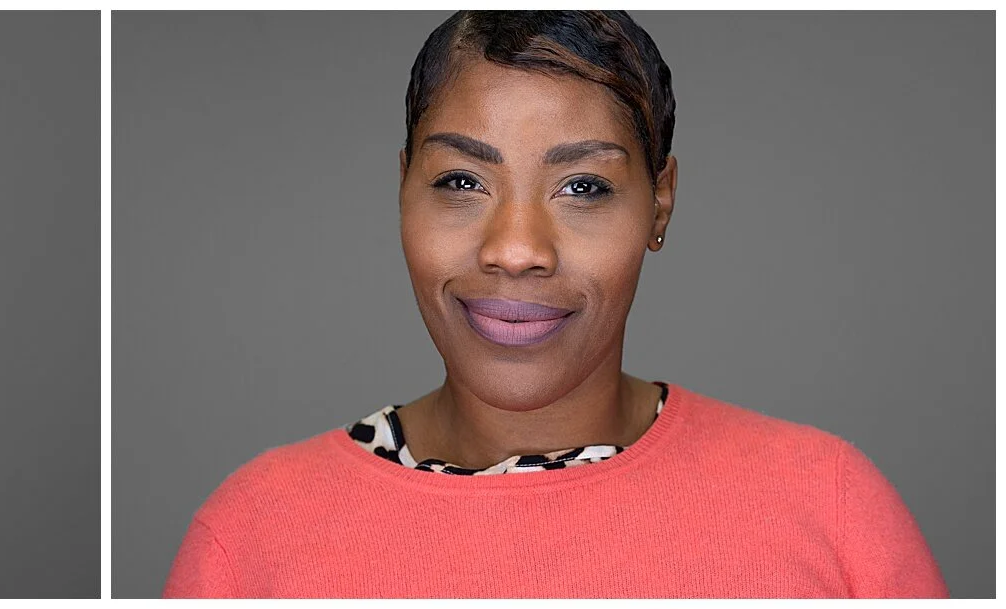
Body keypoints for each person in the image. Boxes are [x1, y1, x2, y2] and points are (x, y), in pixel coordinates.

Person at [163, 10, 945, 598]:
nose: (515, 246)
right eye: (461, 181)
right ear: (403, 185)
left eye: (583, 186)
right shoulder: (252, 536)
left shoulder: (830, 508)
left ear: (660, 203)